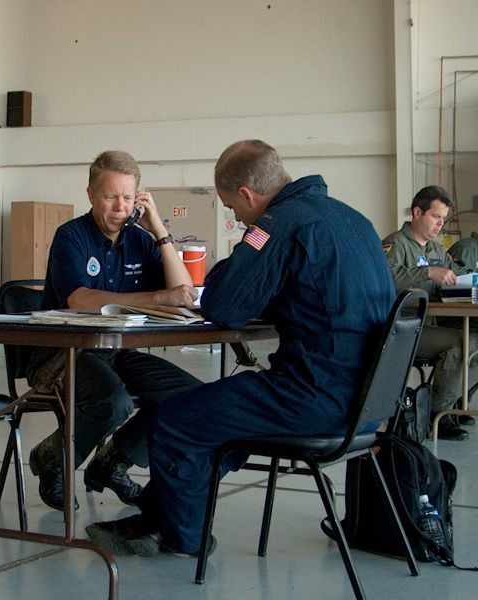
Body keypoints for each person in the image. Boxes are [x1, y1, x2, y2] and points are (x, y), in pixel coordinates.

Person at [85, 139, 396, 558]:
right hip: (367, 406)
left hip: (315, 398)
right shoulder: (354, 221)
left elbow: (224, 305)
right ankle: (160, 519)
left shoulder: (278, 225)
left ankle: (182, 536)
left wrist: (243, 251)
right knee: (217, 412)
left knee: (177, 419)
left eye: (232, 209)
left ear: (248, 196)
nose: (236, 217)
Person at [26, 150, 203, 511]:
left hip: (115, 350)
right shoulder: (70, 236)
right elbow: (79, 299)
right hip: (62, 351)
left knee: (188, 397)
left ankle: (113, 461)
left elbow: (184, 297)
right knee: (112, 401)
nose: (120, 207)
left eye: (127, 197)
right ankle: (51, 458)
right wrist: (158, 297)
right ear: (91, 194)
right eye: (111, 197)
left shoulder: (140, 239)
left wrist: (161, 232)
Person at [382, 185, 475, 441]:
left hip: (430, 326)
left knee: (474, 341)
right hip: (404, 329)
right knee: (465, 343)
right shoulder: (395, 244)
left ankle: (449, 404)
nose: (440, 225)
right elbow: (384, 276)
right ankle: (438, 414)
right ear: (417, 212)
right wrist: (427, 273)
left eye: (444, 219)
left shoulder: (436, 250)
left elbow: (459, 275)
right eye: (436, 217)